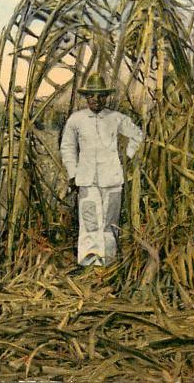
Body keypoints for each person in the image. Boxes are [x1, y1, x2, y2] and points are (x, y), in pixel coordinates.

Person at [59, 73, 143, 267]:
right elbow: (68, 147)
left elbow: (137, 135)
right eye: (91, 96)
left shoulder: (116, 118)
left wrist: (127, 158)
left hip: (112, 179)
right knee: (89, 222)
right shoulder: (76, 120)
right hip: (87, 179)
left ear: (106, 97)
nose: (96, 100)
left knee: (109, 222)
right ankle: (88, 263)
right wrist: (72, 173)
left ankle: (107, 263)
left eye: (100, 96)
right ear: (86, 97)